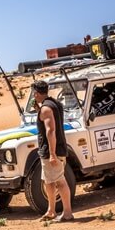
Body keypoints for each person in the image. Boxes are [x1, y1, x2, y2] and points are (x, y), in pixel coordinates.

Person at [32, 80, 74, 222]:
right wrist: (38, 110)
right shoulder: (53, 104)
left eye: (34, 93)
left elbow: (50, 131)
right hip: (50, 150)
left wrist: (52, 154)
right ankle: (51, 211)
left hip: (52, 151)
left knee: (60, 181)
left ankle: (67, 213)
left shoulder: (46, 109)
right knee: (48, 181)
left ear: (36, 93)